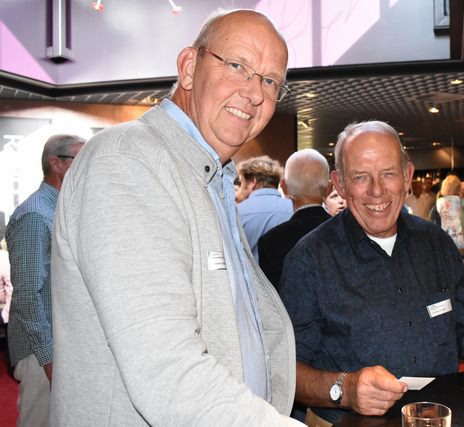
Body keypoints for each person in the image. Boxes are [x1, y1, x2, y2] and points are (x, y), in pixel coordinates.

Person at [50, 10, 302, 426]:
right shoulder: (128, 161)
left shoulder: (211, 176)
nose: (254, 93)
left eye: (270, 81)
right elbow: (167, 371)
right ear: (188, 67)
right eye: (237, 66)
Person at [279, 121, 464, 424]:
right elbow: (287, 371)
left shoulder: (436, 243)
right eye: (360, 177)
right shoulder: (309, 259)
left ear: (407, 177)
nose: (376, 190)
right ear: (339, 184)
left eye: (388, 173)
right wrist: (345, 389)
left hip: (440, 417)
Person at [6, 134, 85, 427]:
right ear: (56, 163)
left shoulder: (59, 210)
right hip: (41, 352)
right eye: (79, 158)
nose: (86, 165)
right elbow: (28, 296)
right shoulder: (36, 216)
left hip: (58, 346)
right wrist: (48, 358)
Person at [258, 149, 331, 290]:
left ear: (284, 187)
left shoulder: (271, 242)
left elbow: (272, 298)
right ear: (329, 188)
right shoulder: (349, 232)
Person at [237, 155, 293, 261]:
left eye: (241, 182)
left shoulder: (237, 212)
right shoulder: (294, 209)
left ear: (253, 182)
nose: (240, 189)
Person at [436, 174, 464, 247]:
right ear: (458, 187)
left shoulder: (439, 202)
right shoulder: (462, 201)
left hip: (444, 235)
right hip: (460, 236)